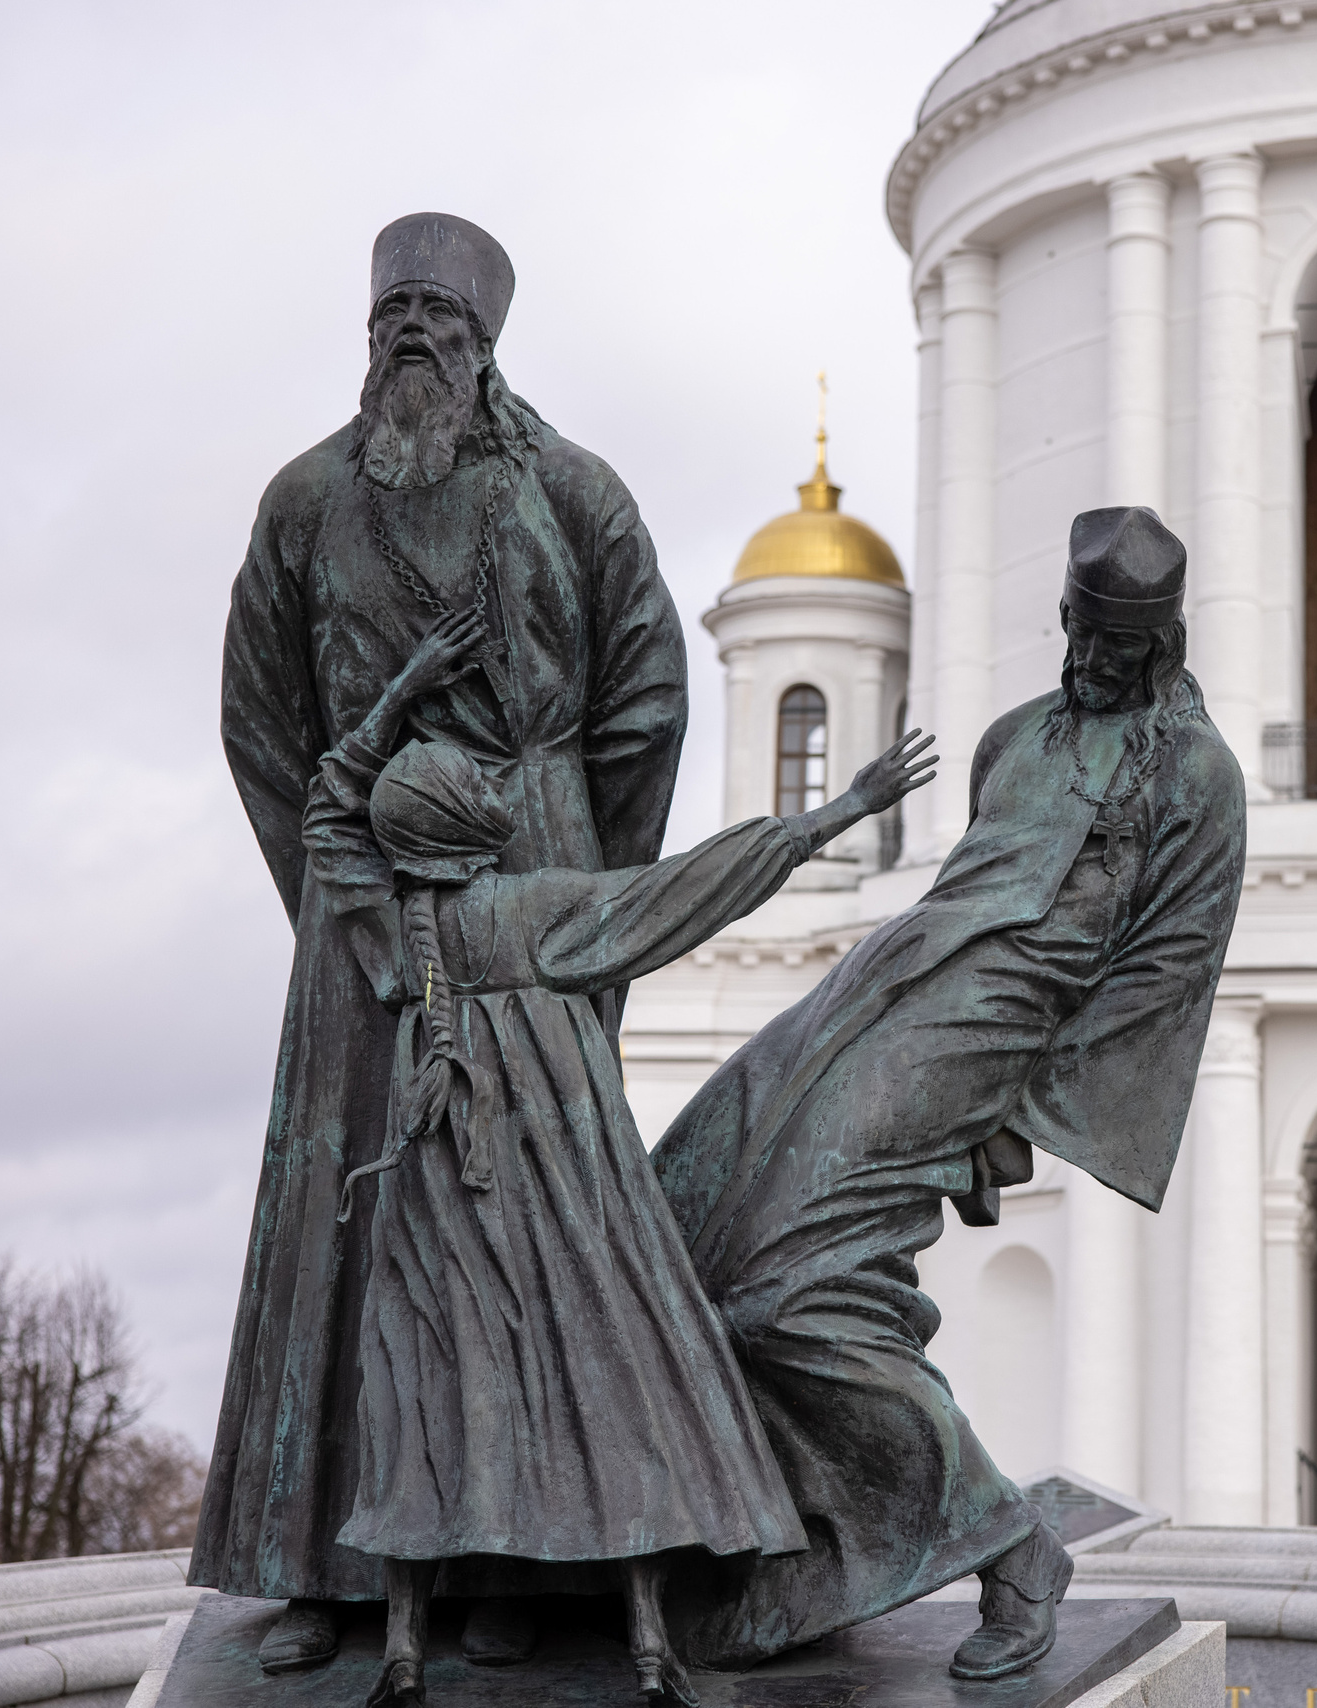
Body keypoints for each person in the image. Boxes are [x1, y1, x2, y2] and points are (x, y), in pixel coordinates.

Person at [203, 214, 691, 1675]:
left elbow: (648, 705)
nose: (413, 331)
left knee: (535, 1230)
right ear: (368, 337)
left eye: (440, 312)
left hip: (534, 887)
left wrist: (586, 912)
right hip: (358, 903)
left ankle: (520, 1569)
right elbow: (256, 719)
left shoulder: (573, 493)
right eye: (392, 310)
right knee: (345, 1230)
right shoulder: (303, 502)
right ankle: (328, 1566)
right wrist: (332, 897)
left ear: (485, 343)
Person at [299, 609, 935, 1707]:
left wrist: (400, 691)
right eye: (472, 778)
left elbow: (325, 813)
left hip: (439, 1200)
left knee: (422, 1396)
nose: (496, 784)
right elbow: (698, 884)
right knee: (627, 1378)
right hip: (565, 1203)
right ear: (466, 819)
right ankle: (650, 1645)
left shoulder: (390, 926)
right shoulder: (537, 912)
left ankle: (403, 1652)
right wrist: (844, 809)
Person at [653, 507, 1247, 1681]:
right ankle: (794, 1533)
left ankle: (1011, 1544)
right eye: (1077, 629)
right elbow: (965, 888)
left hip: (985, 1040)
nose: (1085, 658)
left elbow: (1167, 967)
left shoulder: (1197, 777)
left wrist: (1023, 1115)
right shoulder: (1015, 736)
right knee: (676, 1226)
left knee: (788, 1299)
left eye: (1113, 644)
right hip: (874, 991)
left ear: (1160, 642)